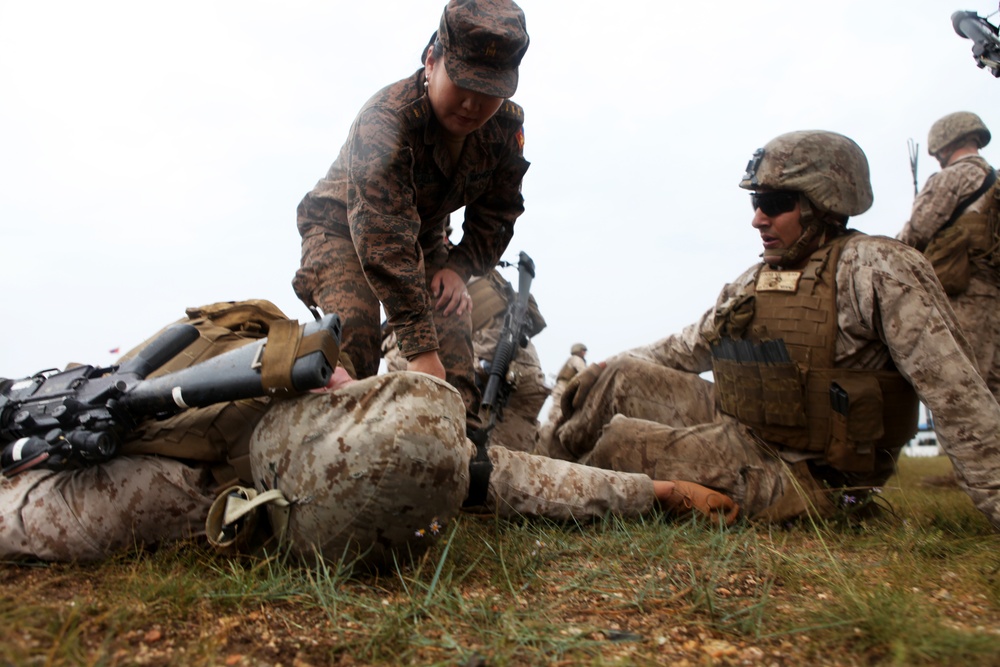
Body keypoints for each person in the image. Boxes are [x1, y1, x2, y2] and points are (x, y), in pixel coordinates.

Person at [0, 302, 738, 564]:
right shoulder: (160, 492)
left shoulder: (408, 451)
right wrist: (658, 490)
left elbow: (518, 477)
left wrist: (658, 490)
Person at [549, 130, 1000, 530]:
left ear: (824, 204)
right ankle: (545, 463)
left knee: (621, 443)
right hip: (750, 434)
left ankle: (557, 491)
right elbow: (687, 346)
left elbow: (957, 398)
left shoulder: (878, 271)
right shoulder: (755, 280)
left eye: (776, 204)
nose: (758, 218)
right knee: (622, 373)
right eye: (755, 202)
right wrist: (604, 366)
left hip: (811, 478)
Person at [291, 0, 531, 431]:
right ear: (431, 60)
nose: (474, 105)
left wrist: (458, 268)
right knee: (355, 353)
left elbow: (498, 211)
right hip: (341, 231)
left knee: (452, 347)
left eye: (491, 90)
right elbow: (383, 237)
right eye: (462, 83)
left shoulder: (503, 130)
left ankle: (458, 454)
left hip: (422, 238)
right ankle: (331, 454)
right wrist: (419, 349)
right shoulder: (387, 120)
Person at [897, 112, 1000, 403]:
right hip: (995, 295)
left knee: (965, 393)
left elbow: (916, 233)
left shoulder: (953, 177)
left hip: (964, 295)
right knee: (993, 392)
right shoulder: (995, 182)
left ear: (943, 146)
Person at [536, 342, 587, 456]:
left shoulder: (572, 359)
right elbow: (583, 372)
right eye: (583, 350)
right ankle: (545, 440)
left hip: (563, 387)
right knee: (556, 416)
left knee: (557, 415)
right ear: (578, 351)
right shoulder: (576, 359)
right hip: (563, 388)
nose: (585, 353)